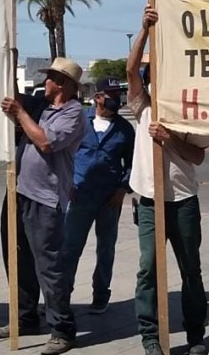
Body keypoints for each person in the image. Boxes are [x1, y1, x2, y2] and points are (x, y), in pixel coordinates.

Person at [126, 6, 209, 355]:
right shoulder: (141, 105)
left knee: (190, 268)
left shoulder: (188, 113)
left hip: (183, 201)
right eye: (151, 75)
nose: (153, 80)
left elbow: (198, 157)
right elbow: (130, 69)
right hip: (148, 201)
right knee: (148, 268)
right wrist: (144, 29)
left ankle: (195, 335)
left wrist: (169, 139)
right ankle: (150, 336)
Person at [0, 57, 86, 355]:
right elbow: (14, 98)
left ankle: (62, 329)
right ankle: (25, 318)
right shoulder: (39, 106)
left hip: (43, 199)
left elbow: (44, 142)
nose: (44, 82)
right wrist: (10, 61)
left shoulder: (73, 114)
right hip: (18, 192)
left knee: (49, 266)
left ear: (63, 85)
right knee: (17, 260)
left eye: (49, 78)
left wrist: (20, 113)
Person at [61, 77, 135, 314]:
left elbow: (132, 164)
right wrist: (66, 183)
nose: (116, 98)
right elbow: (63, 154)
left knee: (106, 249)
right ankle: (61, 297)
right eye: (111, 94)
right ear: (98, 97)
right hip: (79, 197)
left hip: (109, 200)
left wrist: (123, 189)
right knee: (70, 249)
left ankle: (101, 295)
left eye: (118, 94)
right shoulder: (80, 120)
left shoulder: (125, 129)